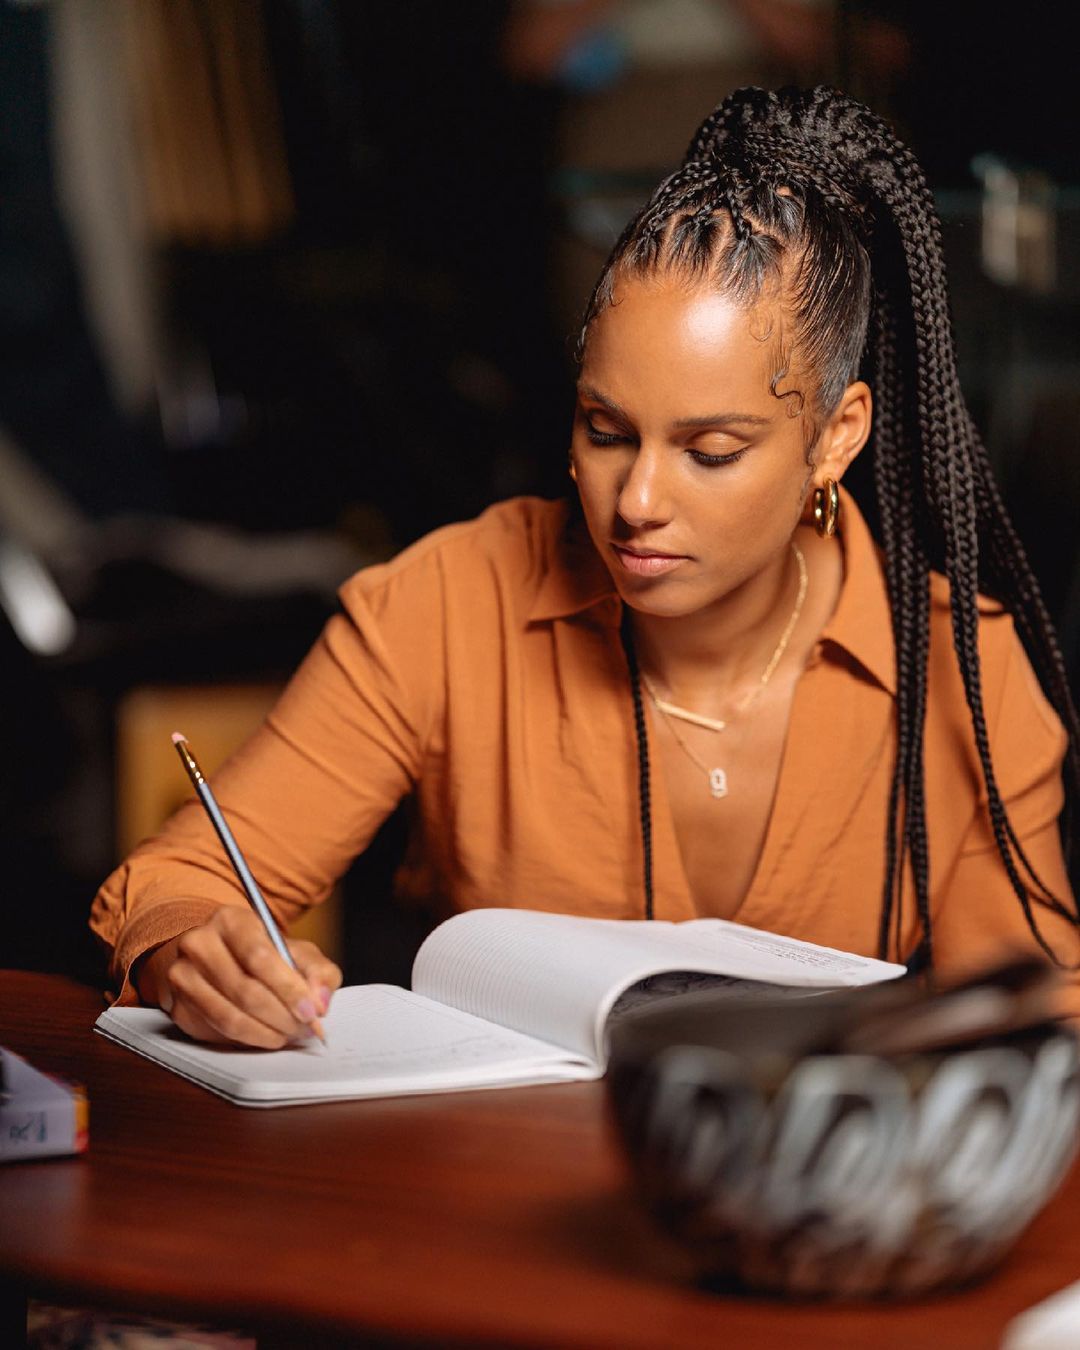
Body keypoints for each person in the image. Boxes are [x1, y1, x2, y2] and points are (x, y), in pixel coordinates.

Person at [90, 85, 1080, 1048]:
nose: (637, 500)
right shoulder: (448, 603)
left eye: (711, 451)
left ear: (835, 436)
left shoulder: (963, 668)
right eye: (606, 430)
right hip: (477, 1190)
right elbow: (181, 884)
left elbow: (1034, 1016)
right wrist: (197, 953)